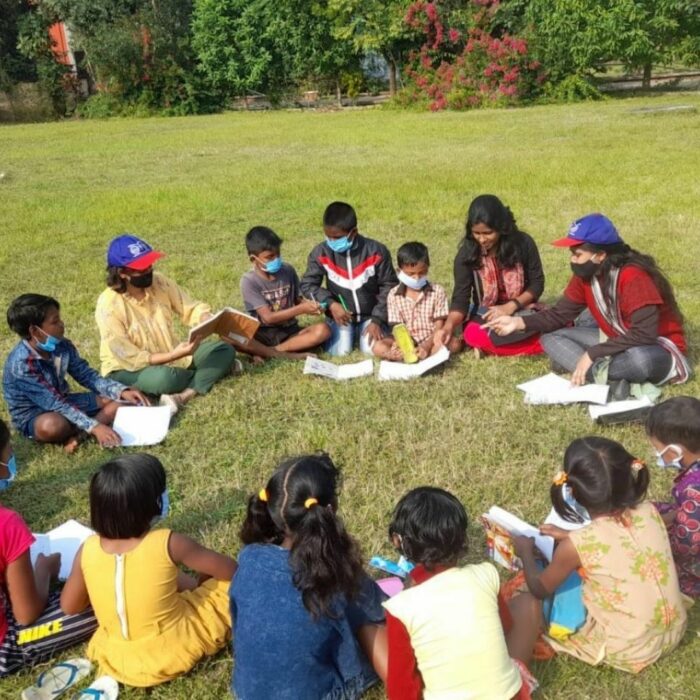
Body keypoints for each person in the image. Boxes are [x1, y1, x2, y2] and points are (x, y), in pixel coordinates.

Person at [511, 436, 690, 674]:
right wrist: (570, 535)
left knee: (523, 595)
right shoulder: (649, 511)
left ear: (572, 492)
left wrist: (525, 552)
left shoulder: (577, 544)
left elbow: (539, 589)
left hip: (629, 648)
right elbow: (615, 537)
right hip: (675, 629)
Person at [60, 454, 236, 687]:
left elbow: (69, 606)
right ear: (152, 503)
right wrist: (204, 585)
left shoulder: (88, 548)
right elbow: (231, 570)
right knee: (232, 585)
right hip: (170, 650)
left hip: (115, 653)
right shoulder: (169, 542)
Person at [230, 453, 387, 700]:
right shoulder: (333, 570)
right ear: (330, 509)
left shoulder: (249, 558)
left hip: (247, 691)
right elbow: (383, 610)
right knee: (370, 623)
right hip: (318, 694)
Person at [487, 214, 690, 393]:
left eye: (578, 254)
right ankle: (609, 377)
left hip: (653, 348)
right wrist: (518, 323)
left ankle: (588, 370)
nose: (573, 260)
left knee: (641, 362)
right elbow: (559, 315)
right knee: (550, 338)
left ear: (600, 255)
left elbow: (645, 334)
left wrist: (593, 353)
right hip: (616, 342)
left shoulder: (633, 276)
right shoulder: (586, 276)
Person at [382, 487, 535, 700]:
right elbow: (506, 626)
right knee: (528, 602)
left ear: (398, 542)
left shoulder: (400, 609)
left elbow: (402, 691)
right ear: (463, 540)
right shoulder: (485, 574)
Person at [95, 234, 237, 414]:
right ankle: (214, 372)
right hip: (127, 368)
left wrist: (205, 317)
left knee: (223, 350)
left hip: (172, 352)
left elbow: (189, 307)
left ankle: (185, 394)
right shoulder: (108, 304)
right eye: (141, 268)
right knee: (166, 380)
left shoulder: (160, 281)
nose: (148, 271)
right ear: (122, 273)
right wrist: (172, 355)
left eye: (150, 265)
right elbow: (132, 358)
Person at [0, 418, 97, 676]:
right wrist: (44, 571)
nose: (12, 456)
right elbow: (26, 614)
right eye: (9, 450)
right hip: (4, 647)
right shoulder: (6, 524)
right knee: (101, 599)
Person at [3, 294, 147, 453]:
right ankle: (89, 424)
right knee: (54, 426)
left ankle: (79, 436)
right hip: (35, 415)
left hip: (63, 400)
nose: (61, 324)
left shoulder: (61, 345)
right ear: (34, 331)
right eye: (54, 321)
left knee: (119, 398)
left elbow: (87, 375)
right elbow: (53, 403)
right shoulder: (21, 364)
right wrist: (95, 426)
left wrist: (121, 390)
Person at [438, 195, 545, 358]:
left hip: (522, 309)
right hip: (486, 316)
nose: (481, 239)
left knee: (557, 322)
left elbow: (537, 284)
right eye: (476, 233)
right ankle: (533, 345)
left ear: (501, 228)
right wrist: (448, 327)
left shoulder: (523, 243)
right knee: (473, 333)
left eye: (488, 233)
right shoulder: (466, 255)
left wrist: (510, 307)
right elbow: (460, 300)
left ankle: (494, 348)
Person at [300, 202, 398, 356]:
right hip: (341, 317)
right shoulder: (320, 253)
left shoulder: (377, 251)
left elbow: (390, 286)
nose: (332, 242)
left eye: (337, 238)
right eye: (328, 237)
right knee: (341, 352)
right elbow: (308, 285)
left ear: (353, 232)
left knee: (370, 350)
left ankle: (371, 329)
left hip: (371, 315)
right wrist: (331, 304)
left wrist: (377, 320)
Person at [240, 226, 331, 359]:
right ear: (254, 259)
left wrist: (311, 306)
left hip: (289, 332)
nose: (276, 259)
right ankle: (283, 352)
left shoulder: (287, 270)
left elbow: (297, 300)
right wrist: (301, 309)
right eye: (270, 257)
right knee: (229, 336)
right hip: (262, 333)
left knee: (323, 330)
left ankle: (270, 352)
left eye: (278, 254)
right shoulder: (249, 281)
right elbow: (268, 318)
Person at [645, 396, 700, 598]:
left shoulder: (694, 492)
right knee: (650, 511)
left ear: (675, 450)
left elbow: (687, 544)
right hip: (691, 517)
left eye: (657, 449)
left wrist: (660, 538)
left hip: (693, 560)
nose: (656, 453)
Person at [372, 242, 449, 362]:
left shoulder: (437, 291)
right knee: (378, 347)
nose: (417, 278)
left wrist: (427, 346)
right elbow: (397, 327)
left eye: (422, 272)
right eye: (411, 274)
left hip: (431, 337)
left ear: (428, 268)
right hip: (406, 339)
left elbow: (439, 324)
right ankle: (395, 356)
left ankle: (427, 355)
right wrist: (400, 344)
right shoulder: (394, 294)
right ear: (399, 271)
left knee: (451, 344)